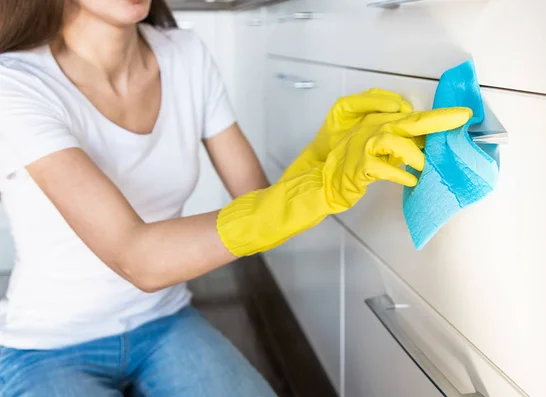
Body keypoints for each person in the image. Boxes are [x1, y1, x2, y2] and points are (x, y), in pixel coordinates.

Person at [0, 0, 471, 396]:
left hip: (164, 323)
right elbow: (137, 258)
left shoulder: (183, 53)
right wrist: (324, 190)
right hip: (48, 345)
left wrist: (323, 154)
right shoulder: (16, 82)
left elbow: (257, 200)